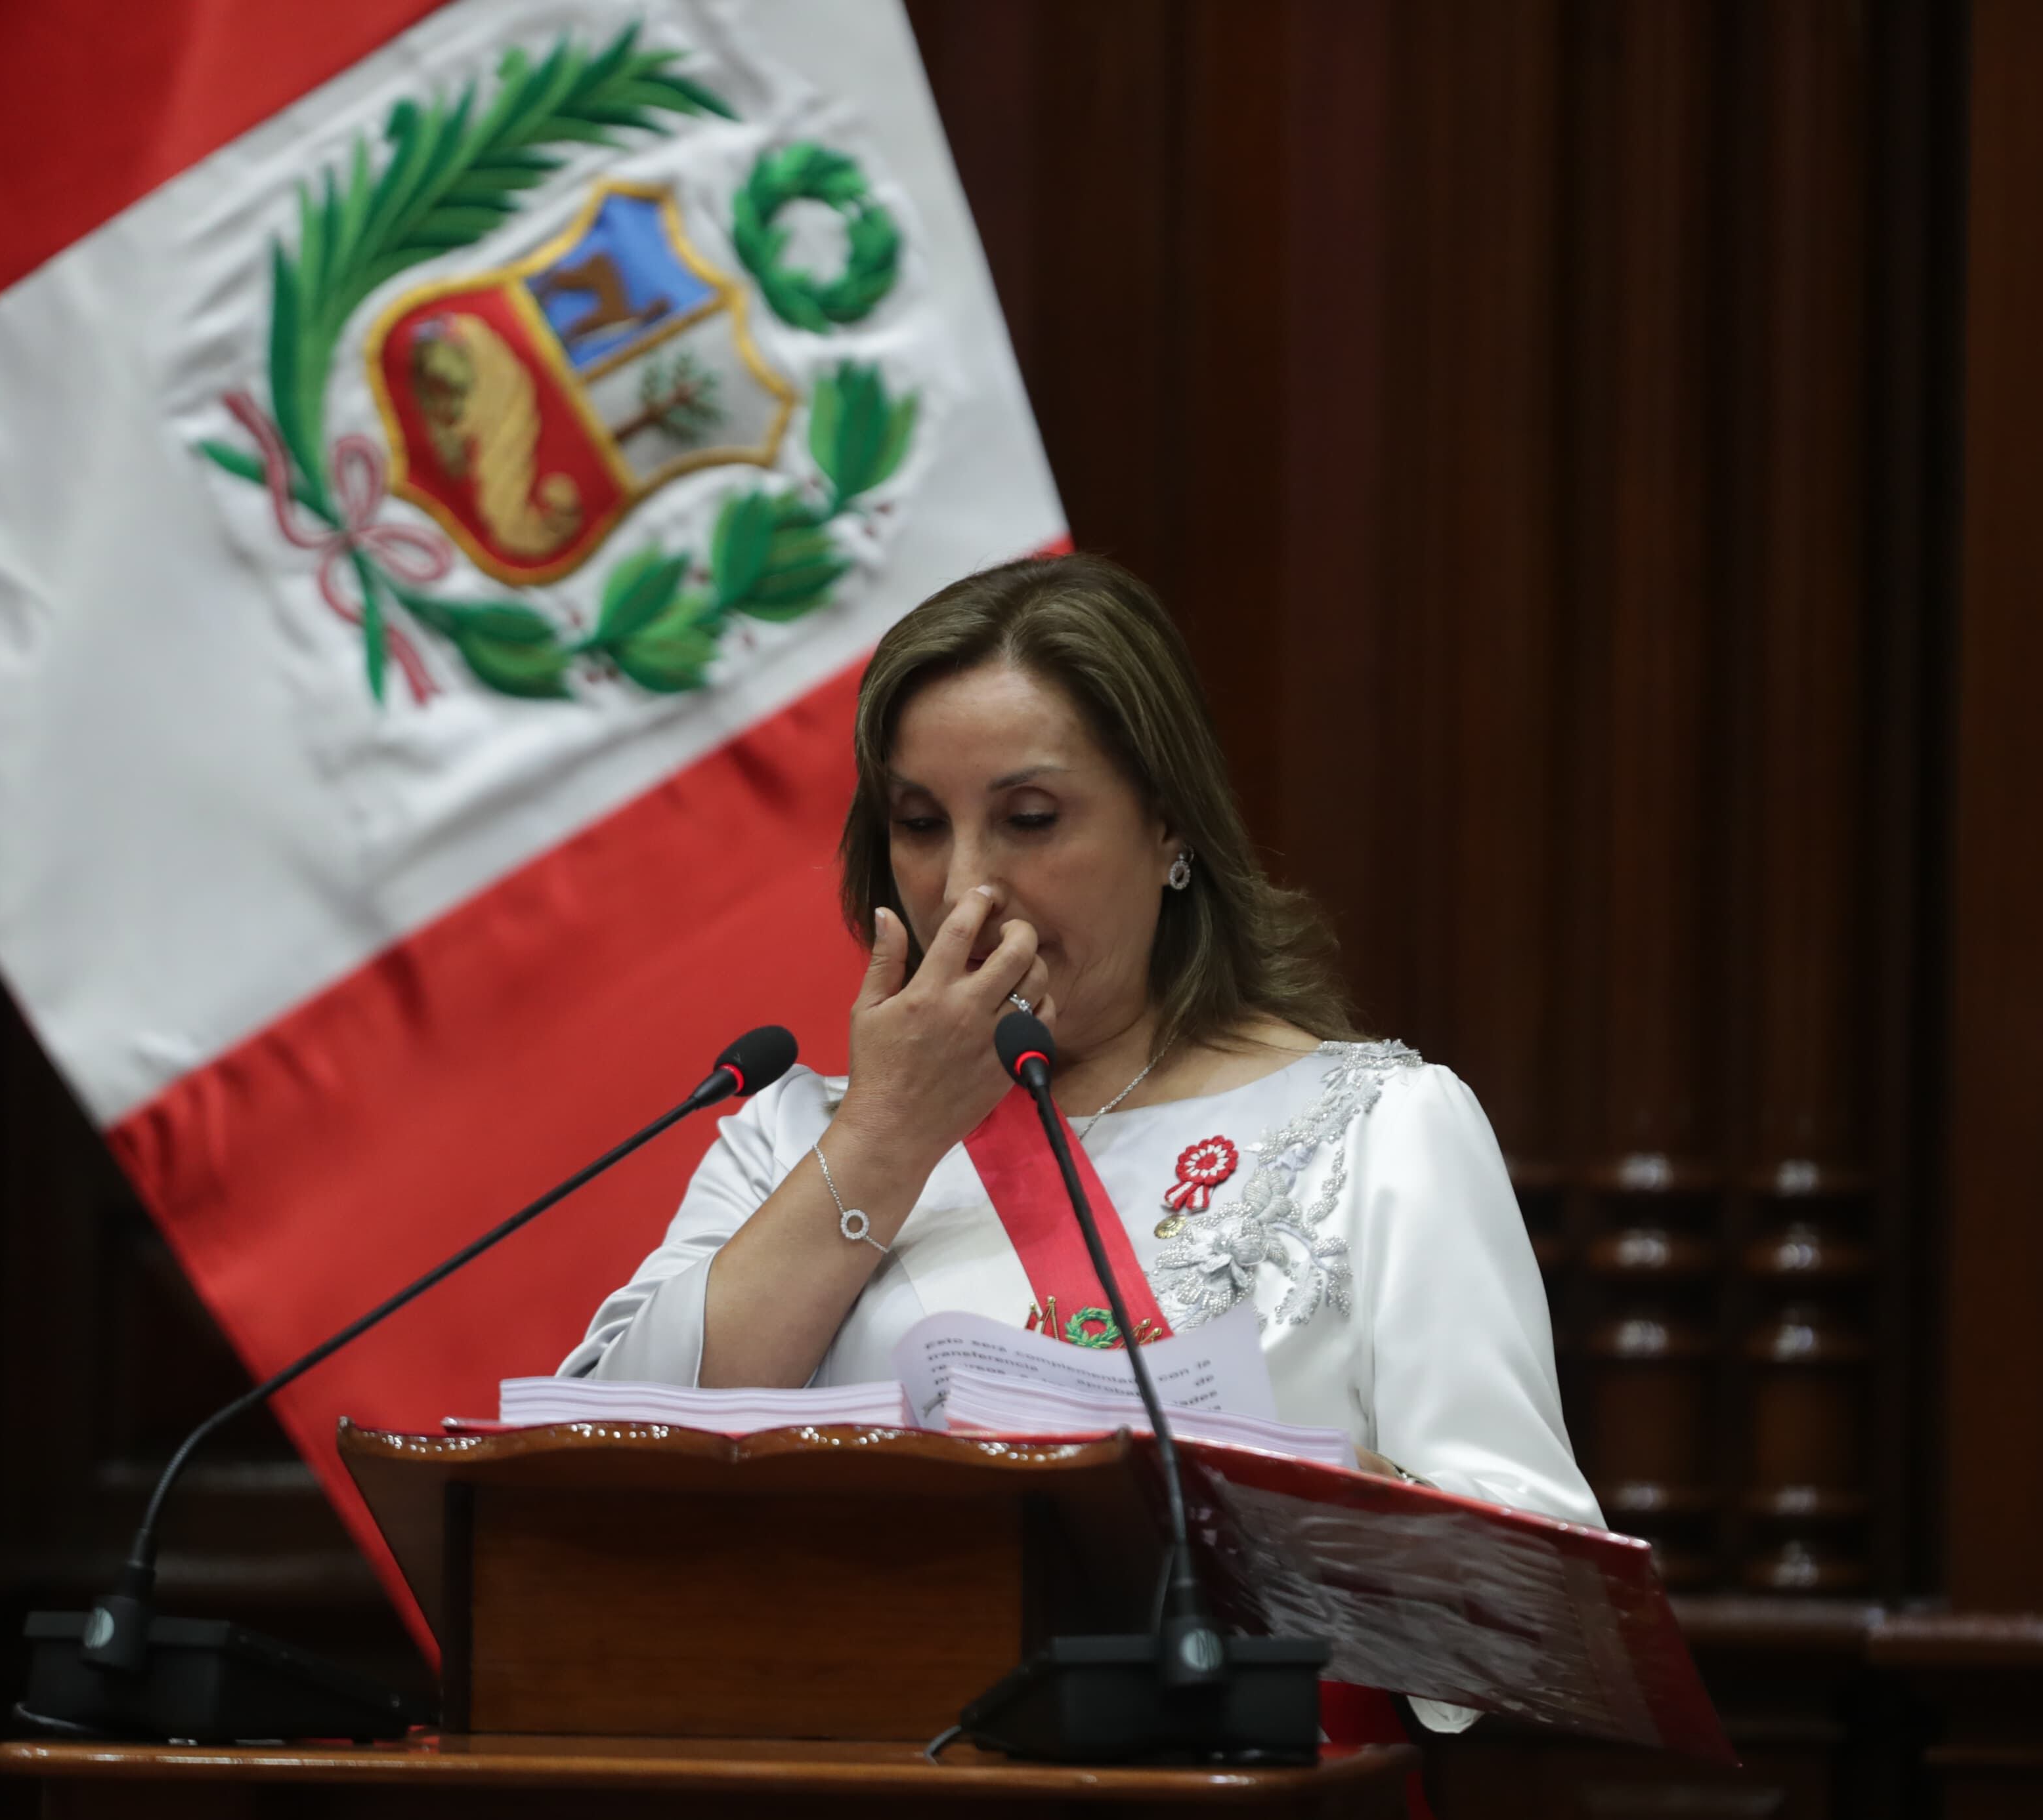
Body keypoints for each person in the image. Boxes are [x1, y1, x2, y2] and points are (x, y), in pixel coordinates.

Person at [561, 552, 1597, 1534]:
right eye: (919, 822)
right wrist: (888, 1132)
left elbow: (1541, 1584)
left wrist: (1319, 1508)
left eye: (1032, 817)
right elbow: (596, 1469)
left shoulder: (1381, 1130)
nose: (967, 884)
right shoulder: (796, 1132)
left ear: (1170, 826)